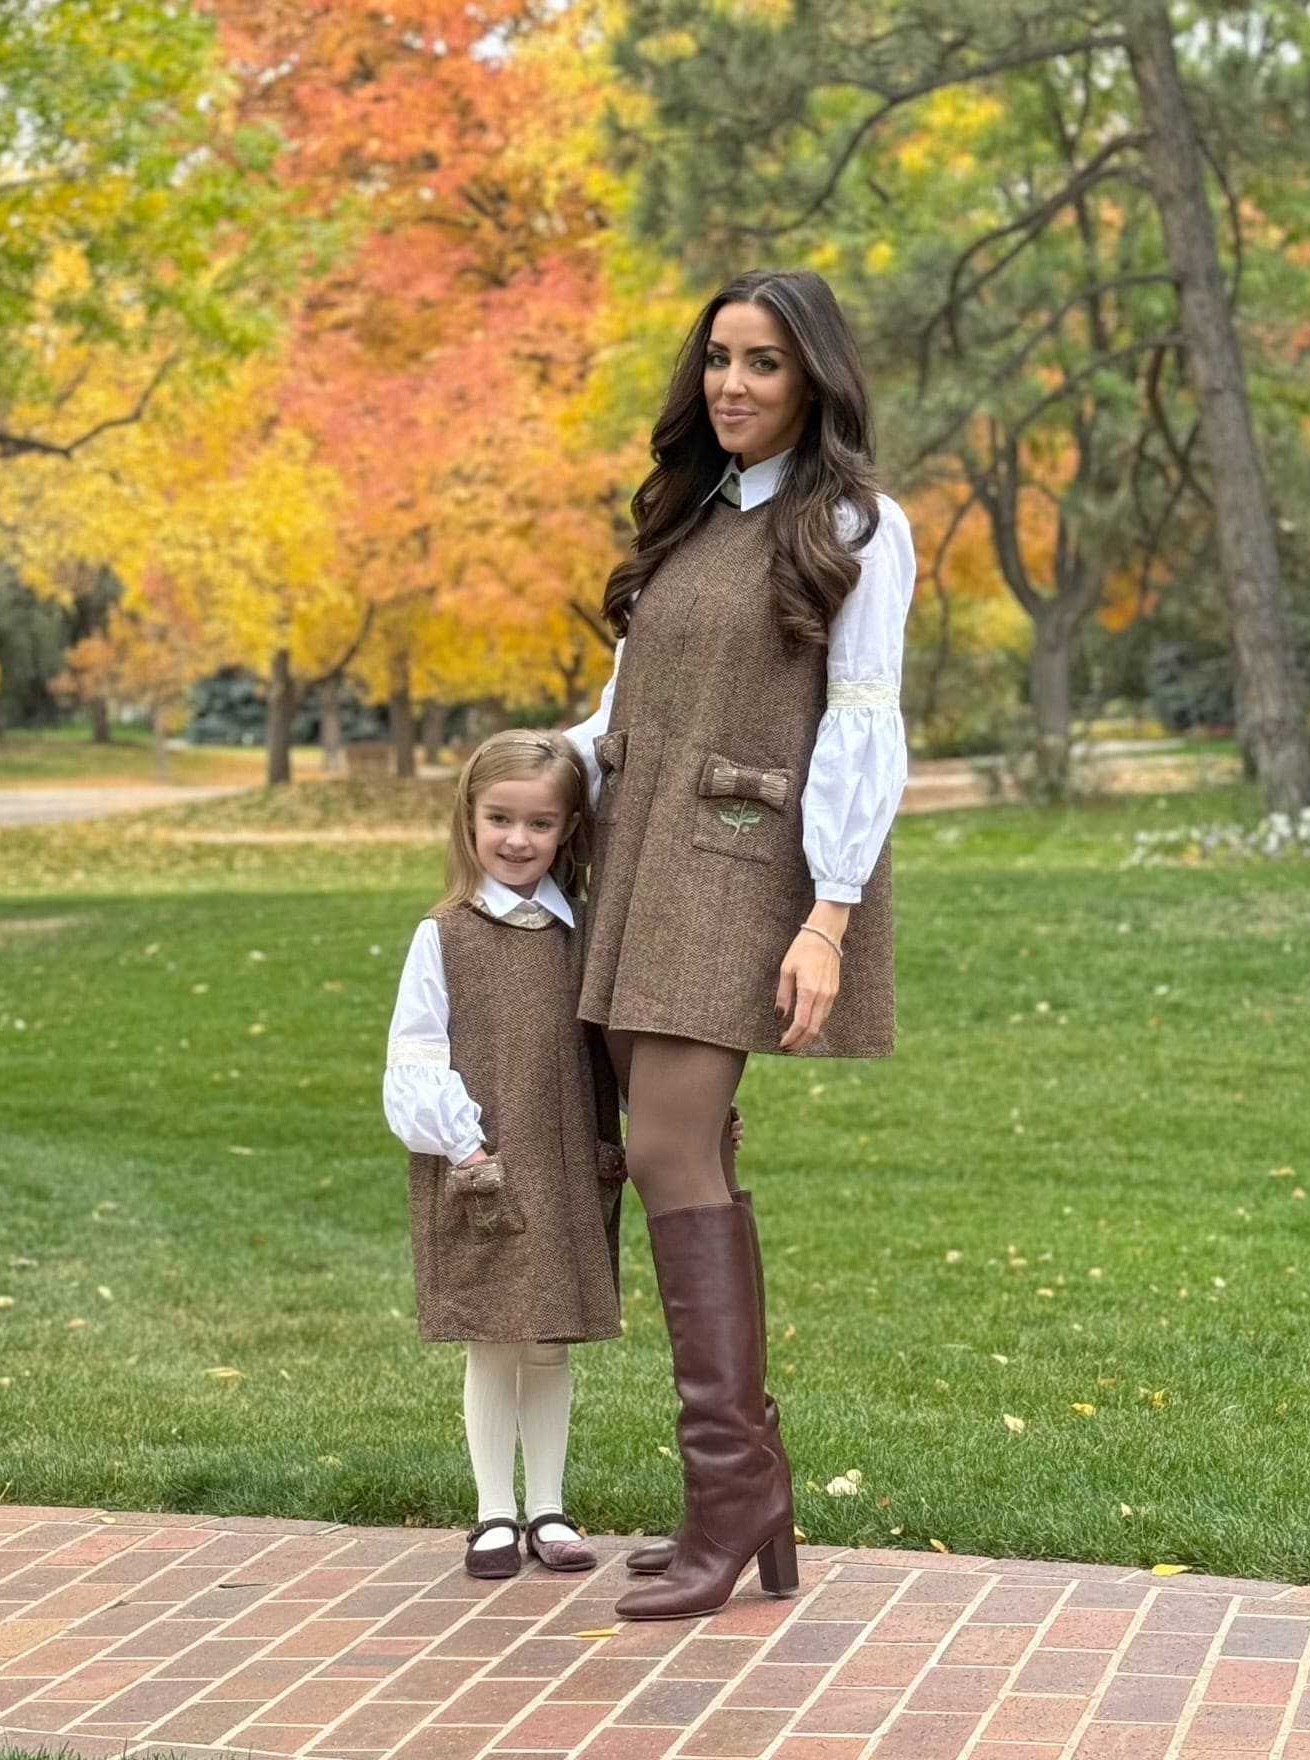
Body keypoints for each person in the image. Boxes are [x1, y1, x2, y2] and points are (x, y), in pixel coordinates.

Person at [567, 268, 915, 1621]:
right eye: (717, 359)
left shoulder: (854, 525)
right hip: (645, 861)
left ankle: (729, 1493)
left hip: (752, 868)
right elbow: (619, 708)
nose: (731, 386)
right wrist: (546, 803)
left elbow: (864, 716)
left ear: (813, 378)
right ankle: (742, 1497)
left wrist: (827, 916)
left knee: (664, 1144)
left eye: (764, 363)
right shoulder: (692, 518)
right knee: (681, 1147)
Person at [383, 730, 625, 1580]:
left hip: (564, 1157)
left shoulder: (584, 935)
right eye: (499, 819)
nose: (518, 839)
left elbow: (622, 1047)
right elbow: (415, 1051)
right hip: (483, 1158)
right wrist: (463, 1143)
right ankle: (493, 1513)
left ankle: (550, 1507)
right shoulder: (442, 936)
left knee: (548, 1338)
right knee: (491, 1332)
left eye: (540, 823)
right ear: (470, 821)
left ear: (568, 831)